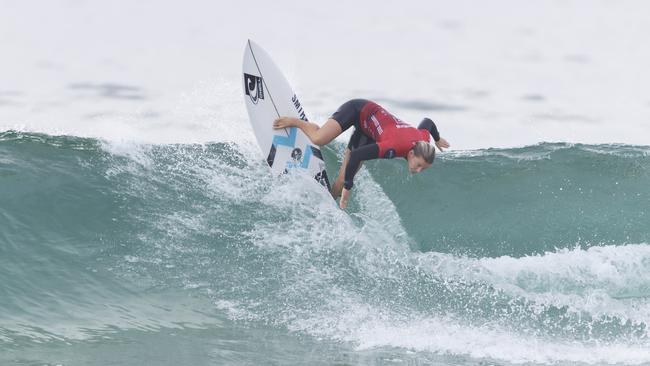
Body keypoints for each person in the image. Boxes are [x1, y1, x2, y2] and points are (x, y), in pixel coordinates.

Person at [274, 99, 450, 209]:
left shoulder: (423, 139)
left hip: (368, 131)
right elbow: (358, 155)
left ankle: (325, 208)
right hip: (359, 109)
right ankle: (299, 123)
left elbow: (427, 122)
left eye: (423, 169)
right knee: (319, 139)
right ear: (411, 154)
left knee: (341, 180)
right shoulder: (393, 147)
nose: (418, 170)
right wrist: (349, 189)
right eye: (419, 165)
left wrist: (437, 138)